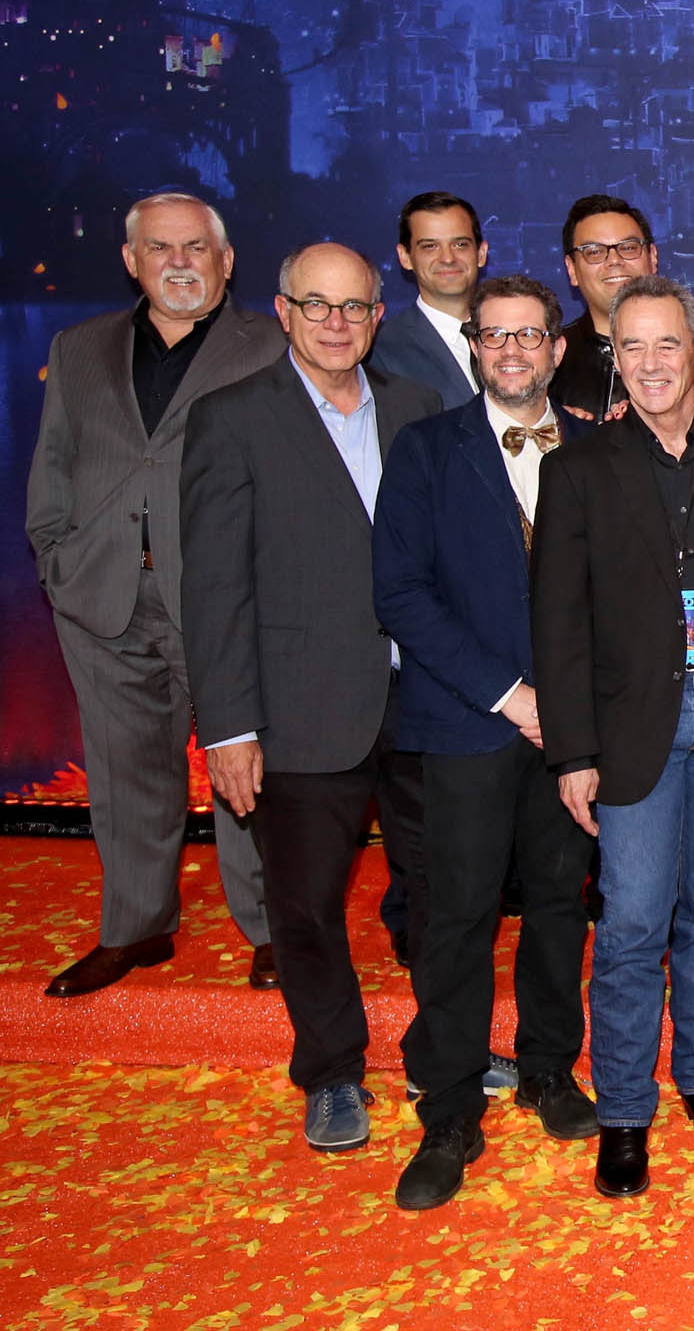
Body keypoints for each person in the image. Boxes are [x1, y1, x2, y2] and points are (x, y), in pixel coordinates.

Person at [182, 242, 437, 1152]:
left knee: (445, 891)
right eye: (317, 305)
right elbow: (215, 586)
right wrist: (230, 727)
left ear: (378, 314)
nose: (337, 323)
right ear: (283, 311)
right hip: (298, 708)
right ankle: (331, 1070)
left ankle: (442, 1051)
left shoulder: (417, 408)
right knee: (305, 906)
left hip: (424, 704)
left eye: (354, 306)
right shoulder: (231, 418)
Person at [533, 276, 694, 1199]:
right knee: (632, 920)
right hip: (632, 727)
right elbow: (557, 624)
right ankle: (626, 1109)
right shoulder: (577, 469)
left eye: (668, 343)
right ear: (615, 360)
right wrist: (572, 752)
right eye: (632, 347)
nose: (651, 362)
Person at [373, 274, 599, 1208]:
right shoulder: (426, 449)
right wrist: (512, 695)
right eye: (494, 335)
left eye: (529, 335)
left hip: (573, 732)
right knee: (457, 914)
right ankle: (451, 1104)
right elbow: (401, 593)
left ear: (557, 347)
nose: (511, 351)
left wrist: (575, 706)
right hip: (466, 722)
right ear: (474, 346)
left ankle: (548, 1067)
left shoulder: (598, 448)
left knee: (559, 904)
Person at [26, 193, 280, 999]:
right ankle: (135, 928)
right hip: (101, 595)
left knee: (247, 768)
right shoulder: (77, 347)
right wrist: (56, 560)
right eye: (160, 248)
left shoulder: (272, 344)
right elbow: (54, 463)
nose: (179, 262)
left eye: (196, 247)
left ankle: (273, 928)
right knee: (123, 770)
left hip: (229, 597)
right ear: (131, 260)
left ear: (225, 260)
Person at [371, 191, 487, 408]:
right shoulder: (381, 351)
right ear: (405, 257)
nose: (448, 258)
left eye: (460, 244)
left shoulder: (518, 336)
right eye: (430, 246)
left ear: (481, 253)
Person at [549, 194, 656, 423]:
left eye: (628, 247)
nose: (614, 260)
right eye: (595, 252)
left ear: (653, 257)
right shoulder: (547, 359)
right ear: (571, 269)